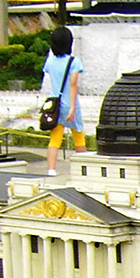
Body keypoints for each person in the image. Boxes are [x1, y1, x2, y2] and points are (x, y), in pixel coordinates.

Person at [41, 26, 86, 177]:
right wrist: (73, 107)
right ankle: (82, 169)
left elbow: (48, 73)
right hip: (70, 104)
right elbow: (73, 84)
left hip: (55, 105)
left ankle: (51, 169)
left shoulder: (50, 61)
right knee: (78, 136)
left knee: (55, 139)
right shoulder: (74, 62)